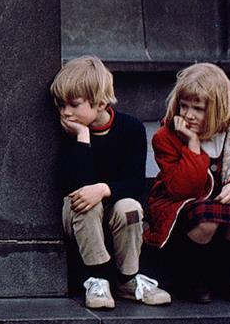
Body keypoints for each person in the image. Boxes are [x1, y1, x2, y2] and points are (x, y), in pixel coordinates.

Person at [49, 57, 169, 310]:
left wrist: (104, 189)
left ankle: (128, 279)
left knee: (130, 207)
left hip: (114, 212)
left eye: (73, 104)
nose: (65, 112)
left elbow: (136, 184)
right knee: (84, 201)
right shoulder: (68, 131)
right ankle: (97, 279)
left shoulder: (131, 129)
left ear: (101, 103)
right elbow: (75, 185)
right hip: (79, 218)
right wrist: (82, 137)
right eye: (61, 105)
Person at [145, 64, 230, 305]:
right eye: (184, 106)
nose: (188, 115)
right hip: (178, 208)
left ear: (218, 109)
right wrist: (192, 145)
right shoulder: (166, 136)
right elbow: (183, 189)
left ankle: (225, 277)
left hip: (219, 210)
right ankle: (192, 277)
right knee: (207, 219)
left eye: (198, 109)